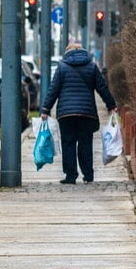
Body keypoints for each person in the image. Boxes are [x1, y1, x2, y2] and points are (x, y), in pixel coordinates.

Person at [40, 43, 118, 184]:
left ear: (67, 52)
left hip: (66, 114)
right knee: (85, 144)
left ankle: (71, 176)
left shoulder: (62, 68)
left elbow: (53, 90)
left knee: (68, 144)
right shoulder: (92, 66)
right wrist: (111, 105)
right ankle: (88, 175)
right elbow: (102, 87)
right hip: (86, 113)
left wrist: (46, 109)